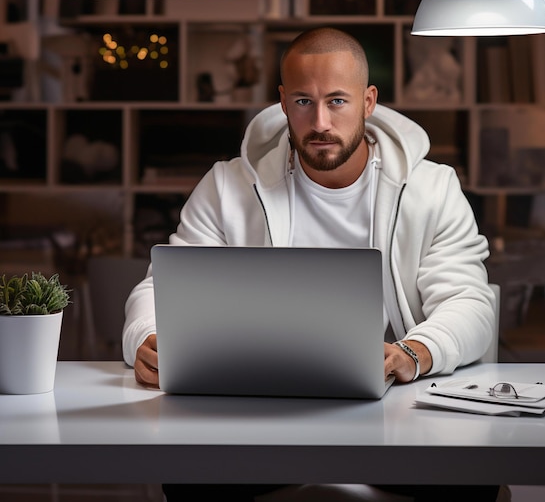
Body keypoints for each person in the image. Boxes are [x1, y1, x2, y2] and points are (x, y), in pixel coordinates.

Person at [122, 27, 499, 502]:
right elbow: (160, 288)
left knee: (472, 481)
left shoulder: (432, 189)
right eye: (303, 101)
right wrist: (147, 337)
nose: (319, 122)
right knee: (187, 475)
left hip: (394, 416)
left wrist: (413, 351)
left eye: (337, 101)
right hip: (259, 418)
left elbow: (470, 302)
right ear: (282, 102)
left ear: (368, 101)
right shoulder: (227, 186)